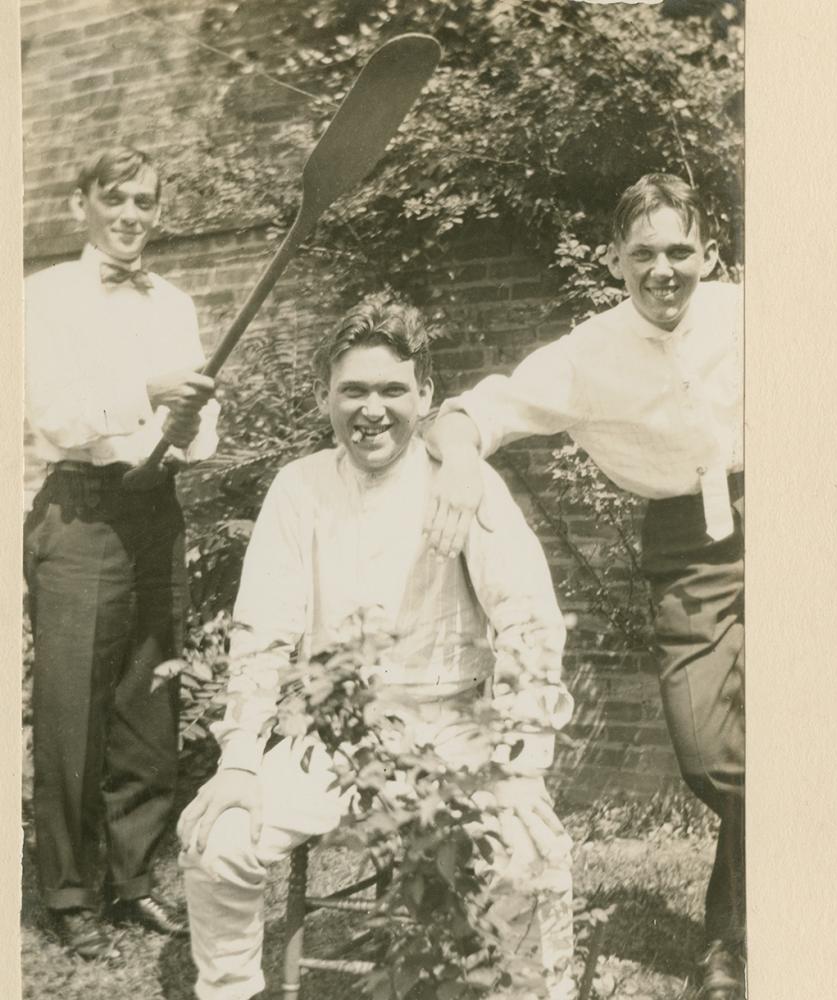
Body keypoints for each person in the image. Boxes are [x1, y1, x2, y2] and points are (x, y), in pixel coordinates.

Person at [177, 294, 575, 1000]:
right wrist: (238, 760)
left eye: (392, 389)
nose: (372, 410)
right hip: (336, 737)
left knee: (527, 856)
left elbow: (529, 622)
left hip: (456, 729)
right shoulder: (298, 488)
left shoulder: (466, 483)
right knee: (219, 841)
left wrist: (522, 762)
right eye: (352, 390)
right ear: (324, 398)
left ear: (425, 395)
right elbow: (262, 631)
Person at [424, 174, 746, 1000]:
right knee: (710, 754)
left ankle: (728, 940)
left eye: (680, 251)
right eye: (644, 254)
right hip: (689, 547)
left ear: (710, 254)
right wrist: (457, 456)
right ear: (614, 261)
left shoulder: (749, 314)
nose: (663, 270)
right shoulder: (587, 355)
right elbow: (481, 409)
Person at [23, 145, 219, 961]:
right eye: (116, 199)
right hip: (83, 510)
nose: (132, 215)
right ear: (82, 205)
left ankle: (133, 879)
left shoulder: (174, 302)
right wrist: (146, 393)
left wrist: (189, 431)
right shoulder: (42, 297)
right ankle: (68, 894)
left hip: (154, 510)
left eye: (145, 201)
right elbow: (50, 415)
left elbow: (203, 421)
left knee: (150, 697)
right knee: (72, 709)